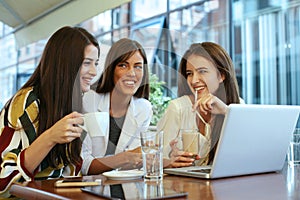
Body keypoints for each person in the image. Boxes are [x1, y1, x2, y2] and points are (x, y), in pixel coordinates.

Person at [0, 26, 100, 197]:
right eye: (87, 63)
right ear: (65, 64)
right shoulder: (28, 102)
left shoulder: (70, 105)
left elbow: (71, 174)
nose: (94, 72)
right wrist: (51, 136)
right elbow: (4, 182)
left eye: (96, 63)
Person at [158, 42, 242, 168]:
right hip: (184, 185)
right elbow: (153, 160)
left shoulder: (237, 107)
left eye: (202, 71)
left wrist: (226, 112)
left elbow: (251, 153)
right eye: (189, 73)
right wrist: (170, 162)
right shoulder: (178, 108)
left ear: (221, 76)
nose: (194, 80)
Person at [81, 38, 152, 175]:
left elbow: (133, 163)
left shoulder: (144, 108)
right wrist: (125, 158)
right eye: (123, 65)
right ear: (111, 68)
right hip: (89, 186)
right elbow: (83, 164)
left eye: (138, 66)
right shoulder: (89, 100)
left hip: (124, 186)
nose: (131, 73)